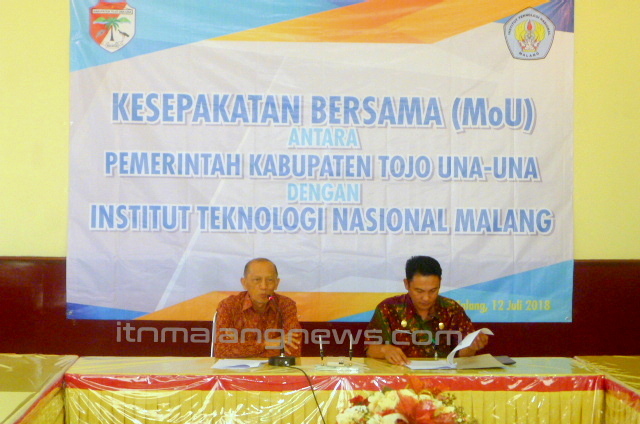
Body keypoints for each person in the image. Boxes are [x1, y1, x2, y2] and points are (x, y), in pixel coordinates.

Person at [366, 256, 488, 365]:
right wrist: (385, 350)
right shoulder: (389, 308)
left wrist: (472, 346)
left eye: (433, 290)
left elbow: (462, 355)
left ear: (440, 283)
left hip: (442, 376)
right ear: (406, 284)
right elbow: (370, 349)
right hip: (401, 375)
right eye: (419, 291)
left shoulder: (451, 309)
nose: (426, 298)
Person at [214, 258, 302, 358]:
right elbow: (222, 351)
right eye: (257, 280)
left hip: (274, 367)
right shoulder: (229, 305)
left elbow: (293, 350)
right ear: (244, 283)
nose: (264, 286)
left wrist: (241, 345)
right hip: (237, 367)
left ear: (277, 283)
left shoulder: (285, 304)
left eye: (270, 280)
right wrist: (268, 344)